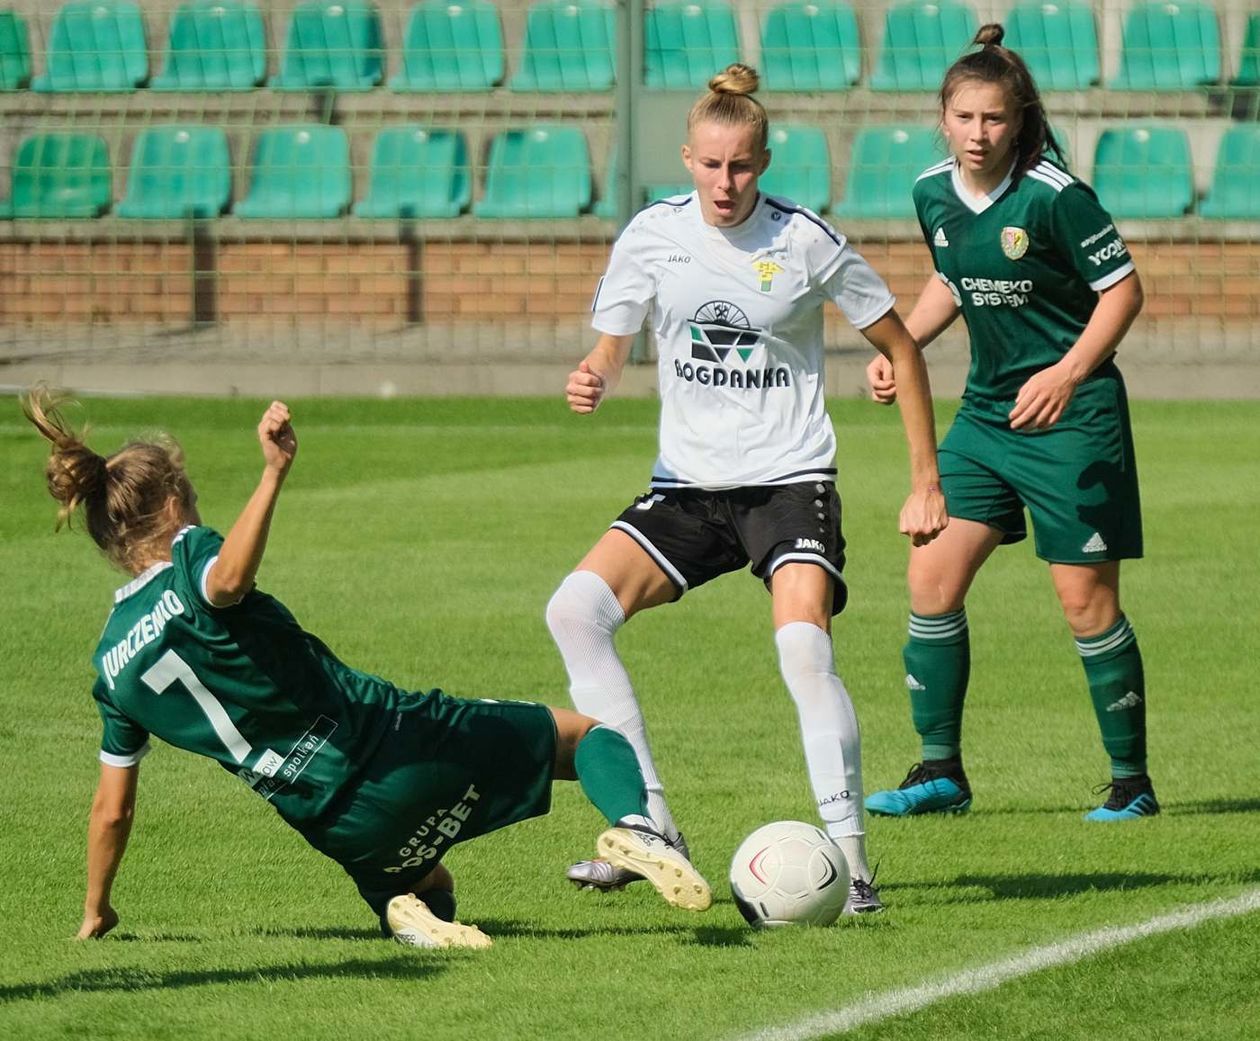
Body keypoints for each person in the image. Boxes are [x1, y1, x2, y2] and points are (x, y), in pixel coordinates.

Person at [24, 390, 713, 951]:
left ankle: (405, 911)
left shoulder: (111, 664)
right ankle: (638, 825)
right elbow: (226, 581)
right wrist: (272, 474)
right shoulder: (189, 556)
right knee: (589, 738)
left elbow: (111, 808)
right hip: (386, 741)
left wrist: (97, 908)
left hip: (333, 821)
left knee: (420, 879)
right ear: (174, 503)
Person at [545, 64, 948, 913]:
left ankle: (852, 863)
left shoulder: (804, 242)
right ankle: (650, 825)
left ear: (764, 162)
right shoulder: (650, 235)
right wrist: (593, 373)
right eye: (711, 165)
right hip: (687, 488)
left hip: (789, 481)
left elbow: (903, 347)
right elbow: (613, 344)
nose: (726, 183)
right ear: (686, 157)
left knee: (804, 649)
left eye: (743, 167)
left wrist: (924, 480)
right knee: (574, 610)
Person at [862, 24, 1156, 822]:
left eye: (994, 119)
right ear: (944, 117)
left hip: (1072, 420)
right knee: (930, 577)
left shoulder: (1058, 196)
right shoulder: (932, 193)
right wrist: (905, 344)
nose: (978, 134)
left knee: (1085, 605)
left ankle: (1131, 781)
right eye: (964, 118)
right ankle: (940, 773)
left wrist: (1067, 373)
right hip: (988, 417)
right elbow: (952, 279)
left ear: (1018, 120)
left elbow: (1123, 293)